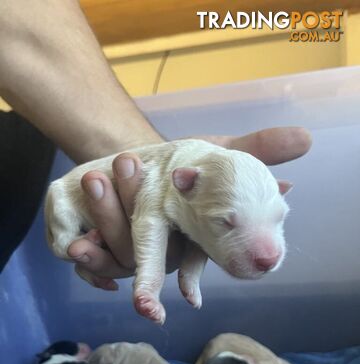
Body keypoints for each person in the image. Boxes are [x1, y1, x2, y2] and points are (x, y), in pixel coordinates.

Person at [0, 0, 312, 289]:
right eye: (226, 221)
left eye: (278, 217)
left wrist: (136, 154)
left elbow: (24, 34)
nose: (268, 254)